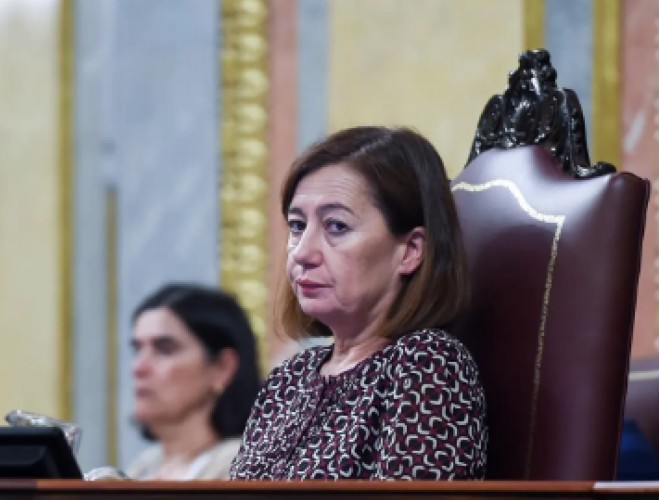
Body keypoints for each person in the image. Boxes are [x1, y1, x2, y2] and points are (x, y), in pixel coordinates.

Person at [229, 126, 487, 481]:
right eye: (297, 225)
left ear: (411, 251)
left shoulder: (426, 365)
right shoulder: (287, 380)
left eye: (336, 226)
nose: (302, 252)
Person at [125, 283, 262, 480]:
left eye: (164, 349)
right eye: (138, 349)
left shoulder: (248, 471)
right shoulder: (142, 469)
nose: (138, 367)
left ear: (223, 367)